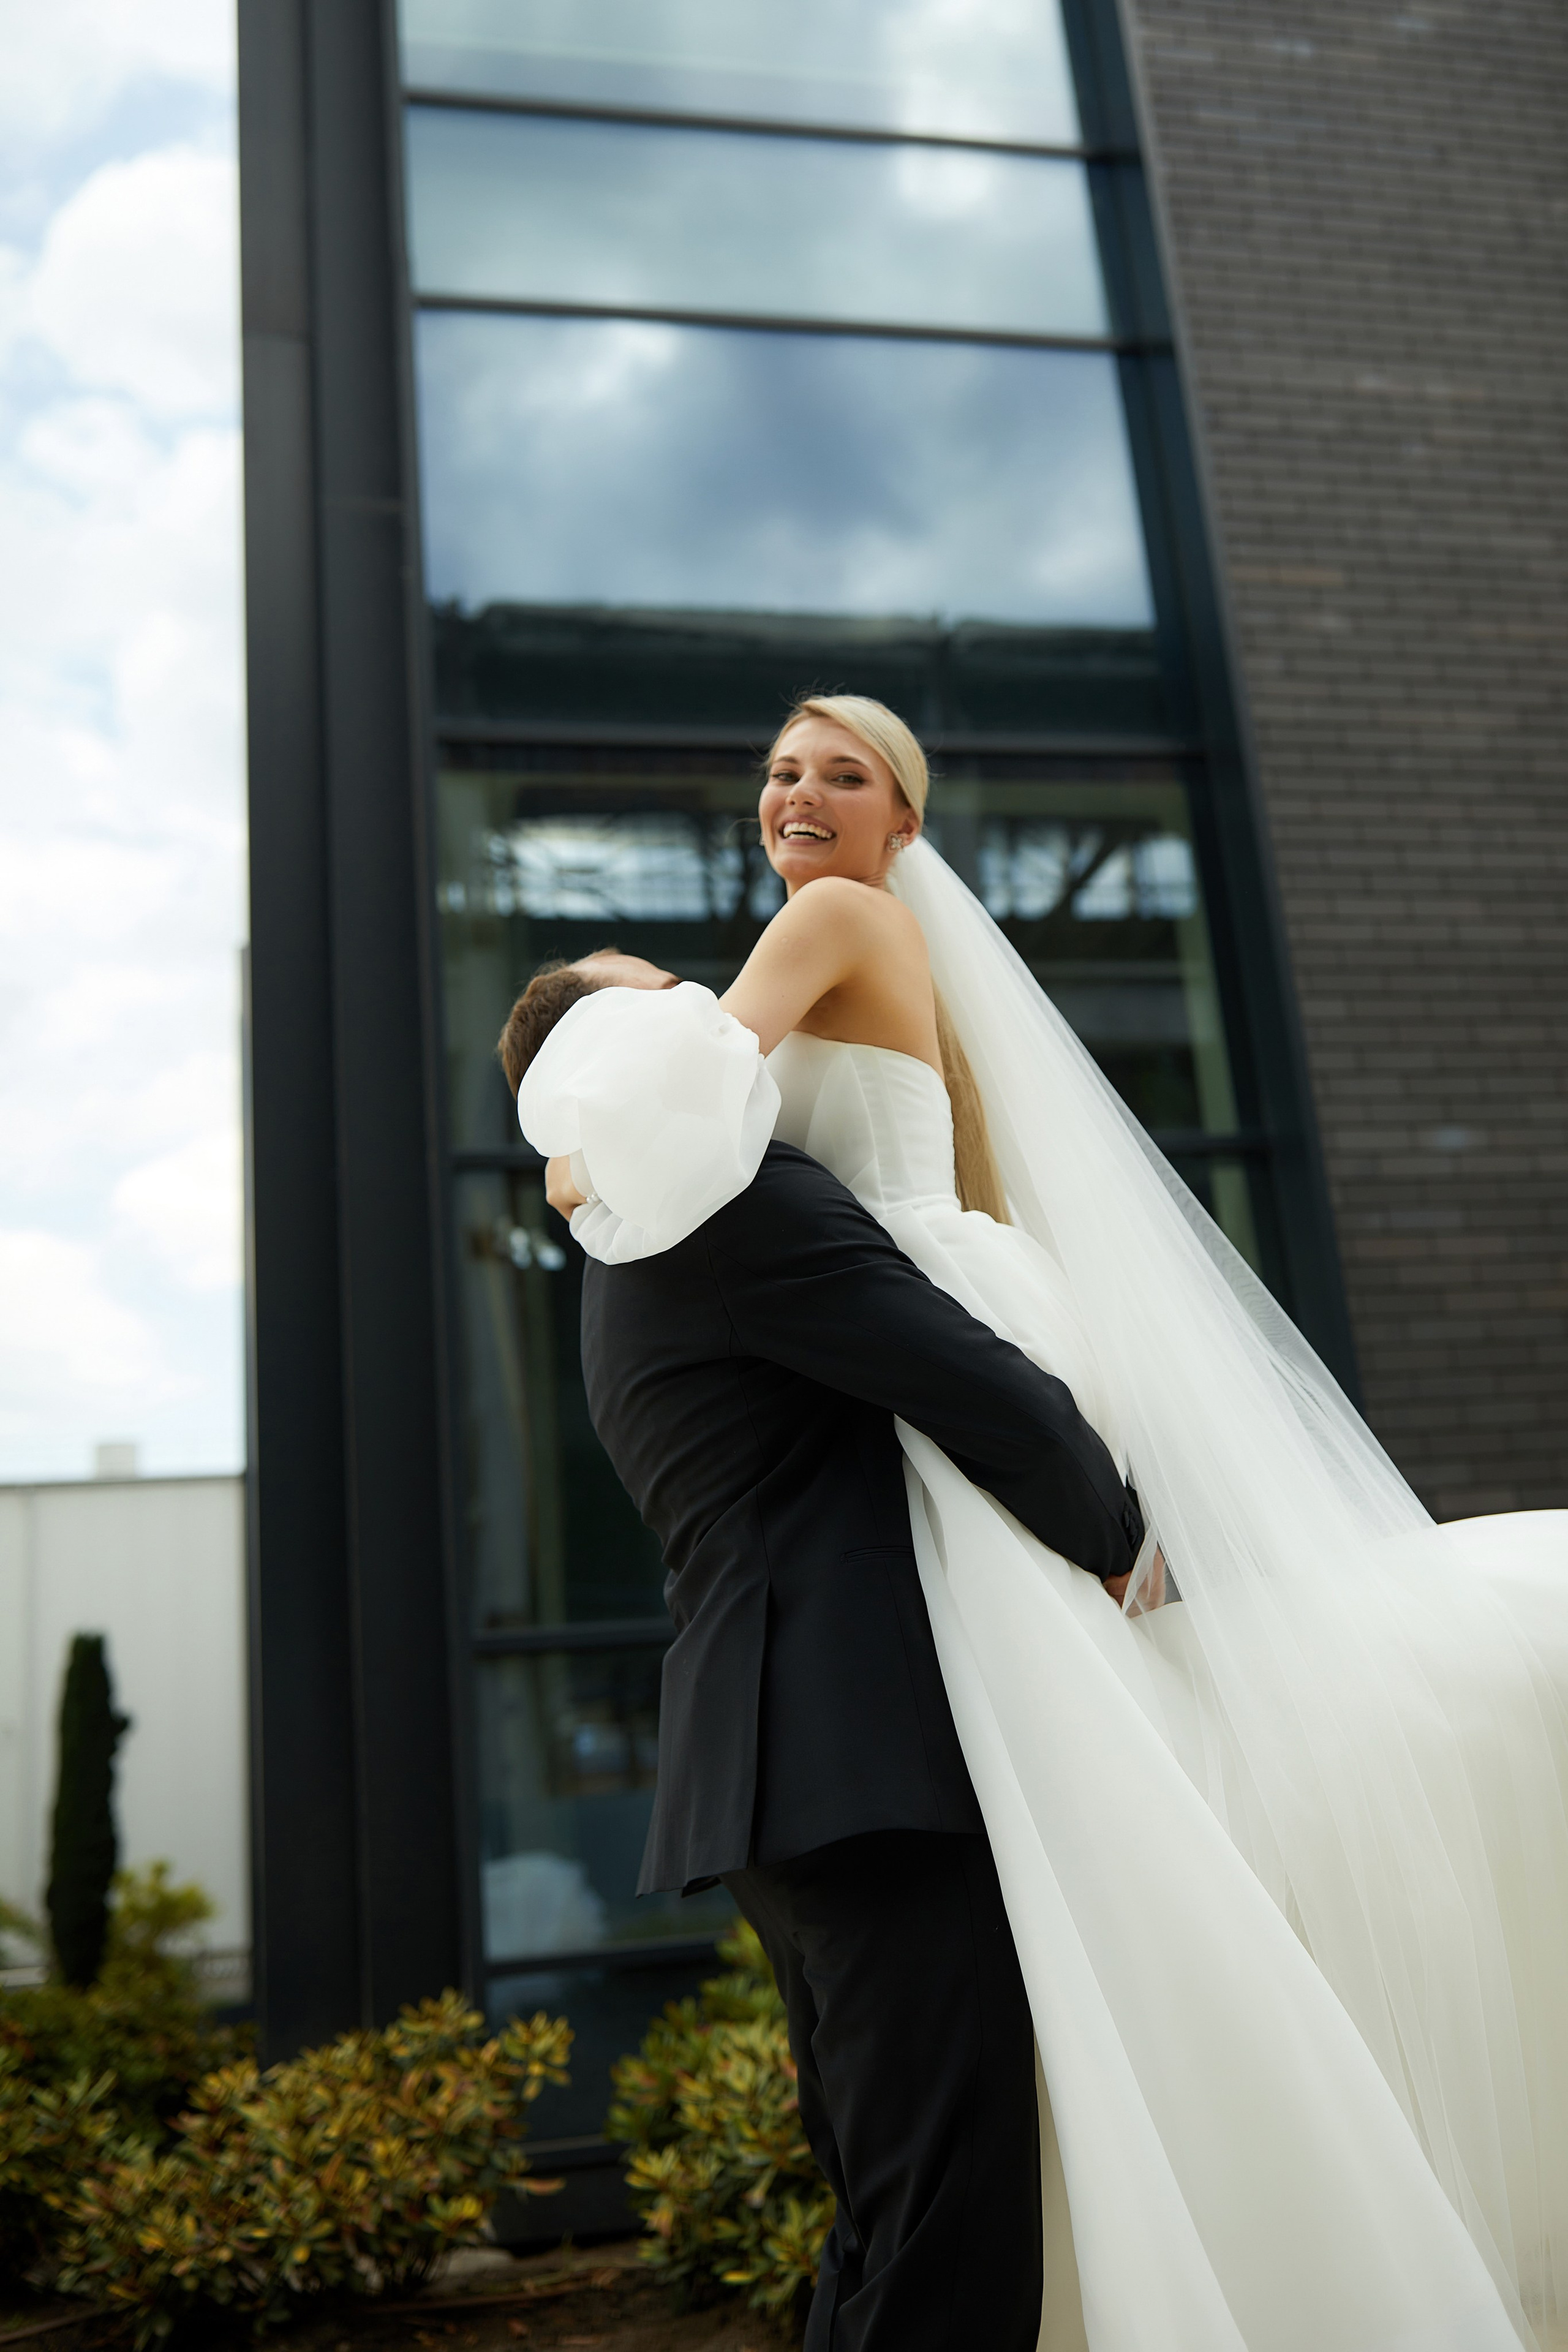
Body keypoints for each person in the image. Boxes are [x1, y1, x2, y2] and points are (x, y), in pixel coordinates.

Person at [508, 697, 1568, 2352]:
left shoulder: (815, 954)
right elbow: (745, 1125)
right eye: (783, 771)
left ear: (902, 824)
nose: (800, 793)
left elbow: (721, 1084)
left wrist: (573, 1170)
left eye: (842, 774)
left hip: (856, 1573)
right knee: (935, 2166)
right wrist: (586, 1133)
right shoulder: (739, 1162)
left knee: (909, 2176)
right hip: (884, 1580)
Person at [502, 949, 1146, 2351]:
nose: (701, 1003)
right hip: (861, 1766)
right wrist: (1118, 1533)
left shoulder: (619, 1244)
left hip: (776, 1780)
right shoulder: (728, 1204)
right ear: (617, 1052)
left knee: (885, 2210)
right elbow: (964, 1374)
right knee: (947, 2229)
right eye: (664, 991)